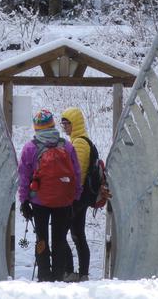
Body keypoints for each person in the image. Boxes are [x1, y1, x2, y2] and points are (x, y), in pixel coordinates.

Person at [18, 109, 82, 281]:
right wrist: (75, 197)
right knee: (60, 238)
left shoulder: (30, 148)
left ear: (36, 127)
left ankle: (44, 276)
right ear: (53, 124)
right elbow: (76, 173)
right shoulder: (67, 146)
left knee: (42, 238)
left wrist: (24, 201)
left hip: (39, 201)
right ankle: (59, 276)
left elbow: (24, 177)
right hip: (63, 201)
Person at [60, 107, 93, 282]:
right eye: (63, 123)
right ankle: (83, 274)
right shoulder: (80, 141)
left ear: (75, 124)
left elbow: (77, 173)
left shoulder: (79, 143)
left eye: (67, 123)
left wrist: (69, 194)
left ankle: (71, 271)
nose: (64, 127)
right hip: (83, 197)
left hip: (77, 197)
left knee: (62, 233)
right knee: (78, 234)